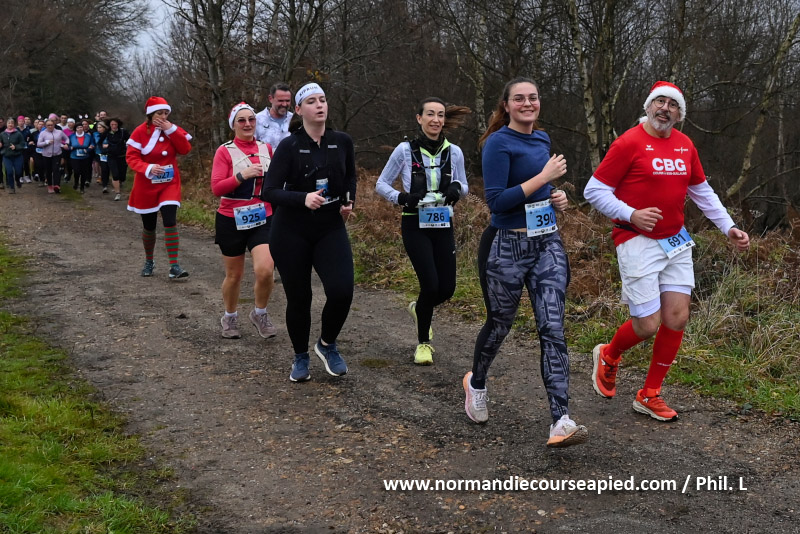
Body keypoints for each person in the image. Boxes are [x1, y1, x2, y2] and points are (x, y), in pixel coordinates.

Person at [584, 80, 750, 422]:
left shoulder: (685, 145)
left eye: (673, 105)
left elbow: (702, 192)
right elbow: (594, 190)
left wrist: (728, 227)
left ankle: (650, 394)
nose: (665, 109)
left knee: (677, 317)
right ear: (648, 107)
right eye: (660, 102)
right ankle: (610, 354)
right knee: (647, 324)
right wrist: (631, 214)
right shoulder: (628, 142)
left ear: (679, 115)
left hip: (675, 240)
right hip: (636, 240)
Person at [463, 77, 587, 448]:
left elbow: (539, 192)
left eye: (533, 98)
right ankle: (476, 384)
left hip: (546, 244)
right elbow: (497, 202)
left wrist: (556, 195)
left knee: (552, 327)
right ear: (506, 105)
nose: (528, 103)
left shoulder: (542, 139)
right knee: (500, 324)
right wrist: (544, 177)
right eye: (519, 98)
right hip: (506, 246)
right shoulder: (498, 143)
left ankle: (560, 420)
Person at [262, 82, 356, 382]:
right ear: (299, 110)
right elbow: (269, 191)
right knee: (299, 298)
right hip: (291, 230)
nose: (320, 105)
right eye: (312, 101)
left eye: (323, 100)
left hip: (329, 226)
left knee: (342, 290)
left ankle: (327, 344)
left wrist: (348, 201)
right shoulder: (289, 146)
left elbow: (350, 177)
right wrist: (302, 198)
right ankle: (300, 356)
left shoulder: (342, 141)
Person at [375, 97, 470, 365]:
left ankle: (420, 308)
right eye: (430, 114)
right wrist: (401, 197)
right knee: (429, 284)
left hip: (442, 222)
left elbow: (464, 185)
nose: (436, 120)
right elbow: (381, 184)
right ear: (419, 118)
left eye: (440, 115)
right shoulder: (404, 150)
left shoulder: (455, 152)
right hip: (414, 222)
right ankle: (423, 344)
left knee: (447, 288)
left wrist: (456, 189)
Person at [211, 102, 278, 339]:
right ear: (234, 125)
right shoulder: (224, 151)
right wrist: (241, 175)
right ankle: (229, 317)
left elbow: (276, 182)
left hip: (262, 215)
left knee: (265, 270)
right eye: (242, 120)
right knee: (234, 275)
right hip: (231, 218)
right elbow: (217, 188)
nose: (248, 124)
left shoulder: (266, 148)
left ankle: (260, 313)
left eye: (251, 119)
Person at [126, 96, 193, 279]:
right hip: (146, 184)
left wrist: (171, 130)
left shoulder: (172, 129)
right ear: (150, 115)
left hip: (169, 183)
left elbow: (185, 149)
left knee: (170, 220)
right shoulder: (139, 132)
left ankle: (174, 265)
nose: (163, 117)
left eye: (165, 113)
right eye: (159, 113)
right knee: (149, 226)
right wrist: (148, 168)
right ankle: (149, 260)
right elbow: (131, 157)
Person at [255, 82, 293, 151]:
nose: (284, 104)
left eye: (287, 101)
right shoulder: (257, 120)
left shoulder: (295, 120)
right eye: (280, 101)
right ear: (270, 99)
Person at [37, 119, 70, 193]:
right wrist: (46, 142)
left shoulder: (59, 132)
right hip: (46, 155)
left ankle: (57, 185)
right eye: (48, 125)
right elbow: (38, 144)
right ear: (45, 126)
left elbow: (66, 138)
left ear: (54, 125)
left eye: (51, 125)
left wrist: (66, 144)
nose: (50, 126)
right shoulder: (43, 133)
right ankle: (50, 185)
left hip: (57, 154)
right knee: (48, 171)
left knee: (56, 170)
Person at [0, 118, 26, 193]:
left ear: (14, 125)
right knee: (9, 172)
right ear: (6, 124)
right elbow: (1, 142)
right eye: (9, 123)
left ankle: (17, 180)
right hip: (7, 156)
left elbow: (22, 144)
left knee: (18, 172)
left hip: (17, 156)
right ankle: (12, 187)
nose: (10, 124)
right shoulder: (2, 134)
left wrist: (16, 147)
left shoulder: (18, 134)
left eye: (12, 123)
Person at [106, 118, 129, 201]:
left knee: (122, 176)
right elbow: (100, 141)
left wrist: (128, 147)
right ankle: (117, 193)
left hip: (122, 156)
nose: (113, 126)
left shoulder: (123, 132)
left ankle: (120, 182)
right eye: (112, 124)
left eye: (115, 124)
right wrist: (104, 146)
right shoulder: (107, 132)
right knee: (115, 175)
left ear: (118, 124)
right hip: (111, 156)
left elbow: (130, 140)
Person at [68, 123, 95, 192]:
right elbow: (68, 145)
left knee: (84, 172)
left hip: (85, 156)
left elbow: (92, 144)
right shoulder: (71, 136)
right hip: (74, 156)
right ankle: (76, 182)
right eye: (78, 128)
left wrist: (88, 149)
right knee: (76, 171)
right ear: (75, 129)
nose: (80, 129)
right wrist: (70, 148)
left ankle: (82, 187)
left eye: (81, 127)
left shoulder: (88, 136)